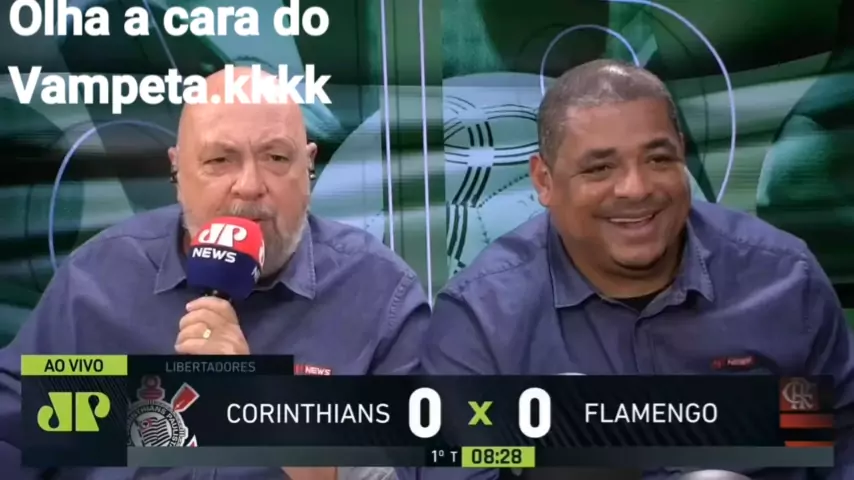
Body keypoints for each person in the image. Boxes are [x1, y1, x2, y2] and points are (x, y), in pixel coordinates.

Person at [405, 60, 854, 479]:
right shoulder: (483, 321)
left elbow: (841, 446)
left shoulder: (785, 281)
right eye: (600, 168)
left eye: (658, 159)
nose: (636, 189)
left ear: (682, 156)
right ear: (544, 180)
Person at [0, 67, 430, 479]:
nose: (250, 185)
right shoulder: (97, 281)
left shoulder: (378, 295)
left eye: (276, 157)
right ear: (176, 170)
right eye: (220, 160)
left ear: (309, 166)